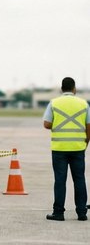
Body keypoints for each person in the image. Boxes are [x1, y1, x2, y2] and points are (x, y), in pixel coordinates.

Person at [43, 77, 90, 221]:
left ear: (62, 88)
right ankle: (82, 213)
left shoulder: (54, 103)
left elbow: (46, 124)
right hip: (77, 147)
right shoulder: (83, 103)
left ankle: (58, 213)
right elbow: (89, 125)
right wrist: (86, 141)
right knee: (79, 179)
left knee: (60, 180)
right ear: (74, 88)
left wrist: (59, 124)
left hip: (59, 149)